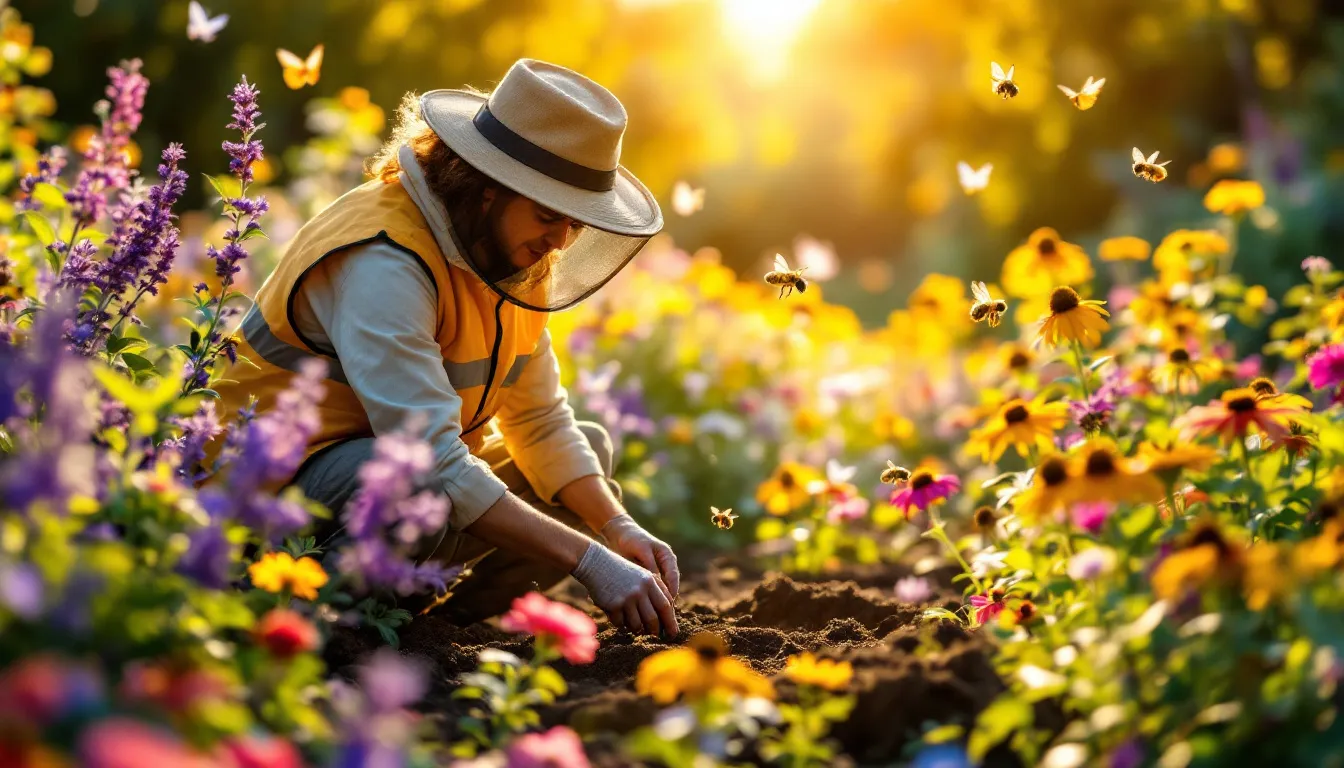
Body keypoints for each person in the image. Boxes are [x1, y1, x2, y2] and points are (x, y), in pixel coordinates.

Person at [213, 59, 679, 636]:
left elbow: (538, 420)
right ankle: (295, 619)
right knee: (409, 483)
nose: (560, 241)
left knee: (587, 451)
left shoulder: (516, 252)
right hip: (260, 508)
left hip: (399, 482)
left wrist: (616, 527)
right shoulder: (383, 259)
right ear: (486, 191)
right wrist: (587, 561)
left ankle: (432, 621)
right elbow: (430, 457)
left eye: (575, 225)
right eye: (548, 215)